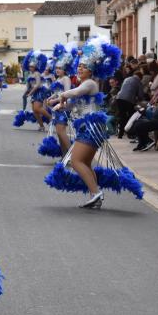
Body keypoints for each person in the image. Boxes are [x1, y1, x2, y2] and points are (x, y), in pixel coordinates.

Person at [50, 36, 122, 208]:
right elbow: (71, 106)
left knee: (76, 161)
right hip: (86, 128)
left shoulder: (90, 84)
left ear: (91, 71)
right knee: (85, 162)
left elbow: (73, 93)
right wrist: (58, 106)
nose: (80, 69)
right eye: (79, 66)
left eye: (84, 67)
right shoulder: (84, 85)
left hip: (91, 127)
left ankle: (96, 193)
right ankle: (94, 195)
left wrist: (60, 97)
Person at [116, 71, 144, 138]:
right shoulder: (138, 82)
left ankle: (120, 134)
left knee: (122, 116)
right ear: (140, 77)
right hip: (128, 100)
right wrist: (139, 99)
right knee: (131, 116)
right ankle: (130, 133)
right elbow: (140, 95)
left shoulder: (126, 79)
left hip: (119, 98)